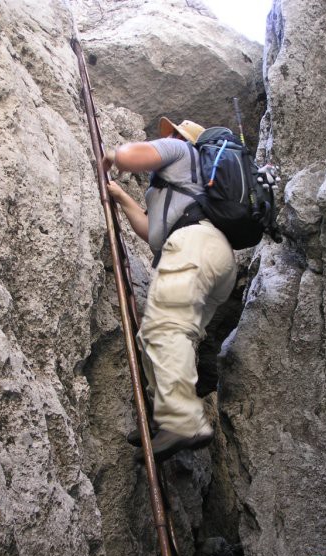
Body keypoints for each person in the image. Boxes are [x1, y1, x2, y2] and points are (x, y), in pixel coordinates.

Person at [103, 117, 237, 462]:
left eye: (170, 134)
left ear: (181, 139)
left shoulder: (180, 150)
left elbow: (131, 157)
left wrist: (112, 155)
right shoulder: (184, 187)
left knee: (166, 328)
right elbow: (151, 232)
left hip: (194, 245)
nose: (165, 137)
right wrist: (120, 196)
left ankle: (183, 421)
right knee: (155, 335)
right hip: (213, 255)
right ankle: (168, 418)